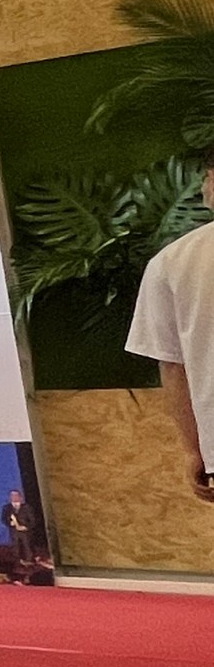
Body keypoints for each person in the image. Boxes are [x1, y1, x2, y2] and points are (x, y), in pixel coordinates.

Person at [127, 161, 214, 508]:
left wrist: (193, 450)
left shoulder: (172, 262)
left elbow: (173, 366)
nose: (203, 185)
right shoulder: (170, 263)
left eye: (207, 175)